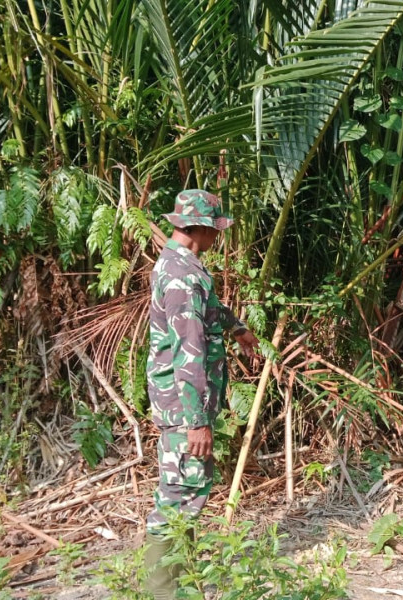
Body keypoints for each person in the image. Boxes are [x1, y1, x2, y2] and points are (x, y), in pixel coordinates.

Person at [142, 189, 260, 599]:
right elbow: (188, 351)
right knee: (178, 497)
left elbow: (205, 310)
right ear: (200, 230)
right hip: (183, 407)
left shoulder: (181, 265)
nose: (218, 239)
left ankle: (183, 581)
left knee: (187, 495)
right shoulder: (182, 276)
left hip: (179, 403)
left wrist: (236, 326)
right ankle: (165, 592)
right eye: (216, 231)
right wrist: (197, 422)